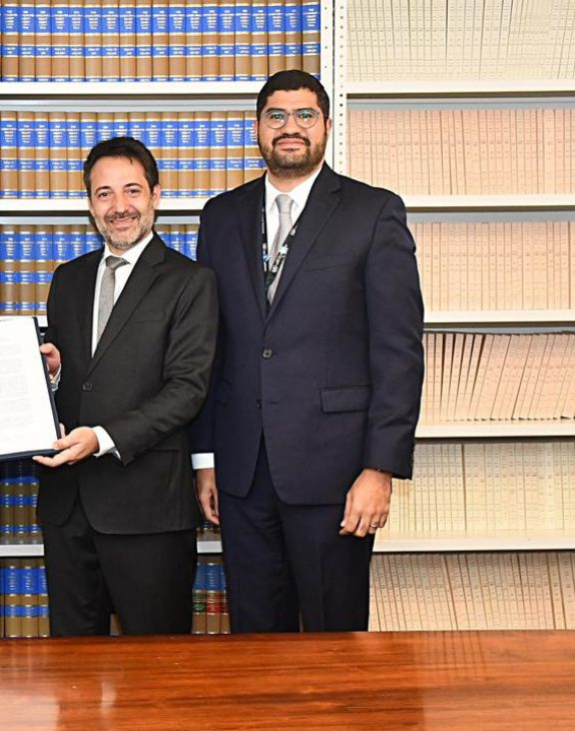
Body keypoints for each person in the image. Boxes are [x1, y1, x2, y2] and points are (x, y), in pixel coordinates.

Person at [191, 70, 425, 632]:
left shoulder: (373, 212)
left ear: (326, 126)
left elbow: (398, 352)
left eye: (304, 116)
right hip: (242, 474)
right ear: (257, 128)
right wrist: (205, 460)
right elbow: (208, 348)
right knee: (255, 641)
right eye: (276, 116)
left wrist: (379, 469)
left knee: (334, 640)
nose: (289, 127)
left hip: (336, 474)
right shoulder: (220, 217)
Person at [35, 137, 217, 636]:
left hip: (148, 508)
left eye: (132, 191)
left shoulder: (190, 282)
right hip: (68, 506)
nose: (119, 207)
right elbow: (80, 379)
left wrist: (102, 438)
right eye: (104, 194)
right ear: (90, 203)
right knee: (71, 665)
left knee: (157, 666)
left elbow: (188, 389)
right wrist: (52, 375)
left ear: (156, 195)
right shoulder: (68, 279)